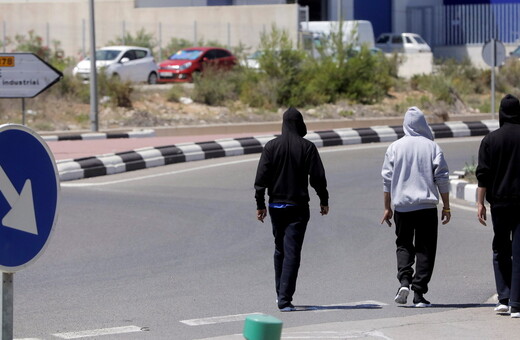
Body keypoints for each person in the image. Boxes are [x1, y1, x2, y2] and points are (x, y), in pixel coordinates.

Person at [254, 107, 329, 312]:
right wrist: (324, 199)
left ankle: (280, 293)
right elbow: (318, 178)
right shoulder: (307, 147)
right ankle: (285, 299)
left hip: (276, 206)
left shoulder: (271, 147)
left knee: (280, 249)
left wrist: (260, 204)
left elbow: (261, 178)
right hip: (298, 208)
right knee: (292, 252)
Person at [381, 106, 451, 307]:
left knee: (403, 244)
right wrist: (446, 206)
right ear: (423, 125)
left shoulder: (394, 147)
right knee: (426, 249)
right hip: (427, 207)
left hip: (403, 208)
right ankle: (419, 293)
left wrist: (387, 208)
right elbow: (442, 178)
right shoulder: (432, 147)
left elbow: (387, 180)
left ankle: (404, 281)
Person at [476, 94, 520, 318]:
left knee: (501, 248)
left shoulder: (490, 140)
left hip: (500, 204)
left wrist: (479, 203)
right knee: (519, 250)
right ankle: (517, 303)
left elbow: (483, 175)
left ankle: (504, 298)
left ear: (502, 113)